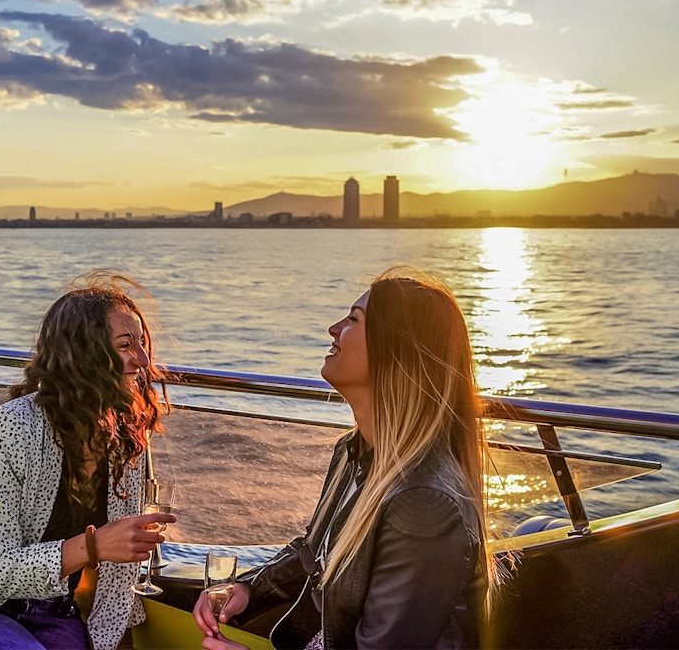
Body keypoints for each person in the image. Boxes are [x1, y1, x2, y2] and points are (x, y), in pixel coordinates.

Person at [193, 267, 496, 649]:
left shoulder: (424, 502)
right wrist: (248, 588)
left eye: (353, 319)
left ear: (395, 350)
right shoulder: (354, 452)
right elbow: (314, 553)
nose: (334, 328)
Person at [0, 269, 175, 650]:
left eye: (143, 343)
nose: (143, 360)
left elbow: (115, 581)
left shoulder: (125, 436)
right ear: (83, 354)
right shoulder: (11, 428)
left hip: (58, 611)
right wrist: (92, 548)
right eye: (127, 345)